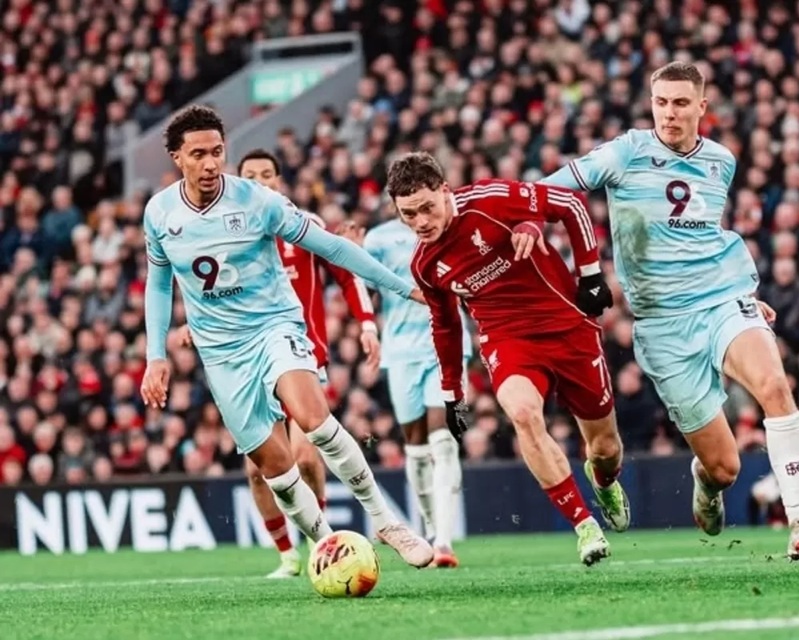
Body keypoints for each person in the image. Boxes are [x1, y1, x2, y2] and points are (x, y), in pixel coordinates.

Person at [541, 61, 799, 562]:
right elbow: (550, 189)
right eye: (660, 102)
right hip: (663, 326)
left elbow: (701, 233)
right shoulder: (626, 151)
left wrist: (739, 294)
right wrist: (521, 220)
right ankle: (706, 481)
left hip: (723, 301)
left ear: (701, 107)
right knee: (724, 468)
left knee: (776, 389)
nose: (668, 114)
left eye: (679, 103)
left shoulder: (722, 161)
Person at [140, 105, 433, 568]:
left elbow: (332, 245)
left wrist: (402, 288)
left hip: (274, 326)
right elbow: (159, 284)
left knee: (312, 417)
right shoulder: (159, 213)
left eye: (218, 152)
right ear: (178, 157)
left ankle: (385, 520)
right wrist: (155, 355)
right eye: (199, 154)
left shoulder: (258, 201)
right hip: (220, 352)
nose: (211, 163)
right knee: (273, 466)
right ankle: (326, 545)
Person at [385, 152, 628, 566]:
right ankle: (584, 525)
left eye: (428, 207)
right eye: (409, 214)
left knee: (605, 448)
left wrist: (590, 276)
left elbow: (569, 205)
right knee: (522, 413)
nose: (421, 221)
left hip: (567, 327)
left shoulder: (491, 199)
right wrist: (453, 394)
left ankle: (602, 481)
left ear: (445, 191)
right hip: (508, 340)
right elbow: (445, 327)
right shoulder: (425, 265)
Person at [177, 149, 382, 578]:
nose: (260, 181)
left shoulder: (300, 225)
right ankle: (287, 554)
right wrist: (197, 324)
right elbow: (209, 287)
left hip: (300, 354)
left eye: (267, 174)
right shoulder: (224, 232)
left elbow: (345, 271)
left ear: (279, 180)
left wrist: (366, 323)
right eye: (251, 175)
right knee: (257, 470)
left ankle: (319, 544)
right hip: (249, 358)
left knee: (307, 457)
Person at [345, 214, 474, 568]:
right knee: (415, 447)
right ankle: (432, 530)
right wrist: (356, 256)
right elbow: (357, 278)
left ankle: (445, 541)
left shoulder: (451, 224)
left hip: (447, 346)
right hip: (401, 352)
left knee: (444, 440)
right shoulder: (380, 237)